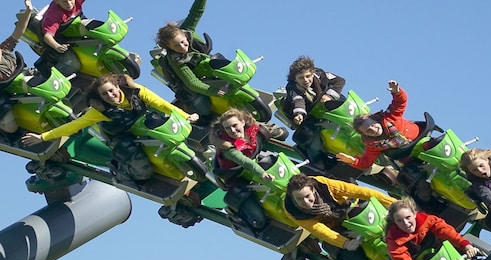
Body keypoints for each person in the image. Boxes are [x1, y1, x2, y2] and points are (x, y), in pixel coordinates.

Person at [21, 73, 199, 181]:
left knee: (165, 123)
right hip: (122, 135)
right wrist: (42, 137)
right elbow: (72, 126)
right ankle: (124, 171)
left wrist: (186, 116)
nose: (110, 95)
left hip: (144, 123)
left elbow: (161, 104)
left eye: (111, 90)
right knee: (143, 170)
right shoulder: (98, 110)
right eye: (105, 94)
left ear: (117, 86)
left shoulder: (136, 91)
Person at [155, 0, 287, 139]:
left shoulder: (187, 30)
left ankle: (253, 117)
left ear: (184, 35)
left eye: (183, 42)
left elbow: (196, 12)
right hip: (202, 83)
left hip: (210, 66)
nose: (182, 47)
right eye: (176, 46)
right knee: (225, 103)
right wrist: (214, 91)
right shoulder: (176, 60)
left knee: (231, 74)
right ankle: (261, 128)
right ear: (170, 48)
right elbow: (191, 82)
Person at [283, 173, 395, 260]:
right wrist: (345, 243)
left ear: (313, 190)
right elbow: (319, 230)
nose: (306, 202)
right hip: (334, 227)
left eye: (307, 196)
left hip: (347, 209)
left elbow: (361, 192)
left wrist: (394, 203)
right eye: (299, 199)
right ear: (293, 199)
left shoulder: (324, 185)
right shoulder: (295, 212)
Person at [210, 107, 275, 231]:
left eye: (235, 125)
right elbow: (246, 162)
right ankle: (236, 213)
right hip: (238, 178)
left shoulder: (252, 130)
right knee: (260, 220)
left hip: (254, 167)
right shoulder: (227, 148)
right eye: (228, 128)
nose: (233, 130)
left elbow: (265, 133)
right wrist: (262, 174)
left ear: (243, 122)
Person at [336, 80, 419, 171]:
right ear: (365, 134)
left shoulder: (389, 117)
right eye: (368, 130)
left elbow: (400, 103)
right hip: (409, 154)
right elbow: (366, 162)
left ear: (375, 120)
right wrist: (352, 161)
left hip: (420, 136)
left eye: (372, 125)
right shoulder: (373, 145)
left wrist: (397, 92)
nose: (373, 129)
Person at [281, 55, 346, 161]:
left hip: (323, 105)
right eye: (301, 78)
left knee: (340, 99)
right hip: (308, 113)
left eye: (308, 76)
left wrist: (329, 96)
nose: (306, 80)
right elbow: (298, 100)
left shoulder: (320, 74)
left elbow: (339, 81)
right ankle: (318, 160)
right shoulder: (292, 87)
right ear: (295, 79)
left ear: (312, 72)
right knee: (309, 133)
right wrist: (299, 114)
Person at [0, 0, 34, 142]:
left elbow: (19, 31)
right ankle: (11, 135)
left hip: (22, 78)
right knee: (10, 126)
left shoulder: (5, 49)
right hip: (4, 92)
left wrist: (28, 12)